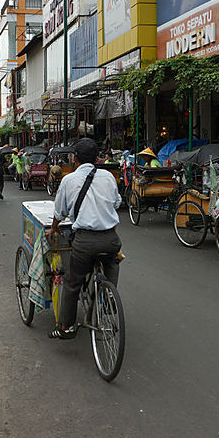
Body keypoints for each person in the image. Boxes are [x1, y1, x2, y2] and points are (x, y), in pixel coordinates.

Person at [48, 138, 123, 339]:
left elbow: (59, 212)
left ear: (75, 158)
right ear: (97, 158)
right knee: (112, 263)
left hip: (84, 242)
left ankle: (66, 327)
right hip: (110, 239)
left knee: (72, 282)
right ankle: (108, 299)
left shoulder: (68, 180)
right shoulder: (108, 177)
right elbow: (116, 203)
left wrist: (54, 229)